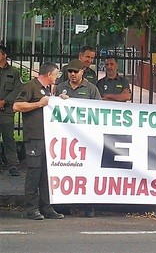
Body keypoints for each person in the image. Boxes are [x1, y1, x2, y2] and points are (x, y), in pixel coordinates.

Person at [13, 62, 64, 220]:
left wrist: (59, 100)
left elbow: (48, 105)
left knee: (46, 174)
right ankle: (32, 208)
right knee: (34, 173)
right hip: (34, 137)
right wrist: (38, 104)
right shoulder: (31, 86)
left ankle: (46, 207)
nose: (57, 78)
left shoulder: (47, 89)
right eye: (56, 74)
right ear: (49, 74)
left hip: (47, 137)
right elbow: (16, 106)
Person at [56, 59, 101, 217]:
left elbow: (100, 111)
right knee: (64, 170)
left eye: (76, 71)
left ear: (83, 71)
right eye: (70, 71)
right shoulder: (61, 87)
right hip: (65, 136)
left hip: (86, 137)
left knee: (87, 171)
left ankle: (89, 205)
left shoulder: (91, 89)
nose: (72, 74)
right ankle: (63, 205)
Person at [0, 45, 23, 176]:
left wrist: (5, 101)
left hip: (6, 111)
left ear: (4, 55)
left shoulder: (14, 72)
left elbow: (18, 89)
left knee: (9, 138)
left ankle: (13, 165)